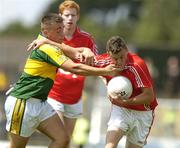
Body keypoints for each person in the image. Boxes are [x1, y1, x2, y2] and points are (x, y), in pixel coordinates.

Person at [4, 13, 119, 148]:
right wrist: (105, 71)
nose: (62, 33)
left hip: (40, 104)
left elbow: (74, 51)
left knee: (63, 139)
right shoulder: (47, 48)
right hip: (23, 103)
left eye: (62, 28)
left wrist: (86, 49)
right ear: (46, 32)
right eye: (58, 30)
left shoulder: (51, 44)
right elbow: (75, 68)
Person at [46, 0, 98, 142]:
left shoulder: (87, 39)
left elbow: (97, 62)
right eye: (67, 15)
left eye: (73, 15)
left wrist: (104, 73)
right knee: (59, 137)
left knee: (67, 140)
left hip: (75, 98)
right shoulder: (52, 37)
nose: (70, 18)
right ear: (60, 16)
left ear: (78, 17)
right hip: (54, 95)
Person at [93, 36, 158, 148]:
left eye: (122, 57)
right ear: (109, 55)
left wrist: (125, 102)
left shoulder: (137, 65)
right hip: (121, 110)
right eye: (115, 58)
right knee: (110, 146)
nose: (119, 62)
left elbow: (149, 96)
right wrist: (103, 76)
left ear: (127, 50)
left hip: (143, 113)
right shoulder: (104, 62)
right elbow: (82, 66)